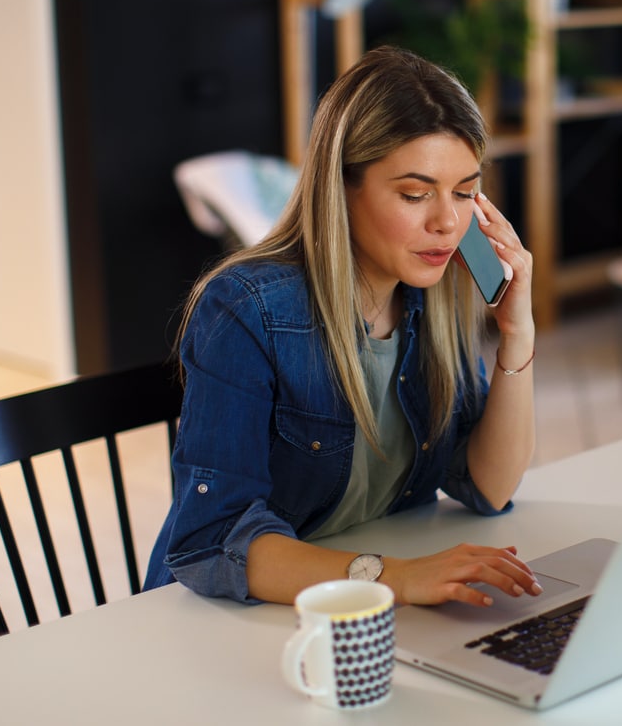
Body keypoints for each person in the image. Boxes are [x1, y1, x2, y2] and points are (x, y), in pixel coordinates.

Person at [145, 46, 543, 609]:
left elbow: (488, 486)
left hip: (363, 613)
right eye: (414, 194)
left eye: (463, 193)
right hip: (240, 617)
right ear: (341, 187)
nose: (447, 223)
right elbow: (212, 542)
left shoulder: (433, 297)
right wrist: (396, 578)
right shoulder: (246, 309)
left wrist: (516, 335)